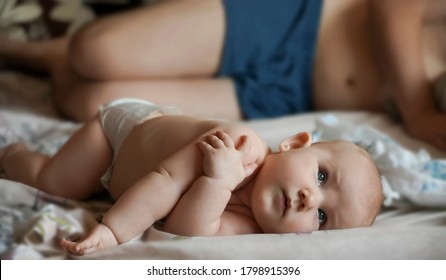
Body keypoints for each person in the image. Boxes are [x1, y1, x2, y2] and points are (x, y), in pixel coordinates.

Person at [1, 0, 444, 150]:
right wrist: (420, 109)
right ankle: (38, 50)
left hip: (292, 96)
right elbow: (394, 6)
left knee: (91, 104)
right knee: (93, 51)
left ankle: (51, 59)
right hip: (300, 23)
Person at [0, 98, 383, 256]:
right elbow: (166, 180)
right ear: (293, 144)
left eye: (322, 218)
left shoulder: (253, 227)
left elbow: (185, 226)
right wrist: (111, 232)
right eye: (320, 176)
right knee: (52, 179)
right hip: (121, 137)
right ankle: (13, 152)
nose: (310, 200)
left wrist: (216, 185)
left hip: (130, 173)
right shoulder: (238, 145)